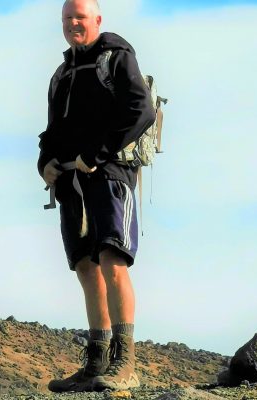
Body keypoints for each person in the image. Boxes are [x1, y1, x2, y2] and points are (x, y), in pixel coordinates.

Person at [37, 0, 155, 392]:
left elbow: (141, 110)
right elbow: (53, 130)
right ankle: (97, 362)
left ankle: (126, 362)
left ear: (97, 21)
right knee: (86, 267)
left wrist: (96, 155)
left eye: (81, 18)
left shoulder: (116, 57)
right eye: (68, 18)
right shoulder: (62, 73)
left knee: (112, 259)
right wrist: (45, 163)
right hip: (71, 180)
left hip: (110, 174)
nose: (74, 24)